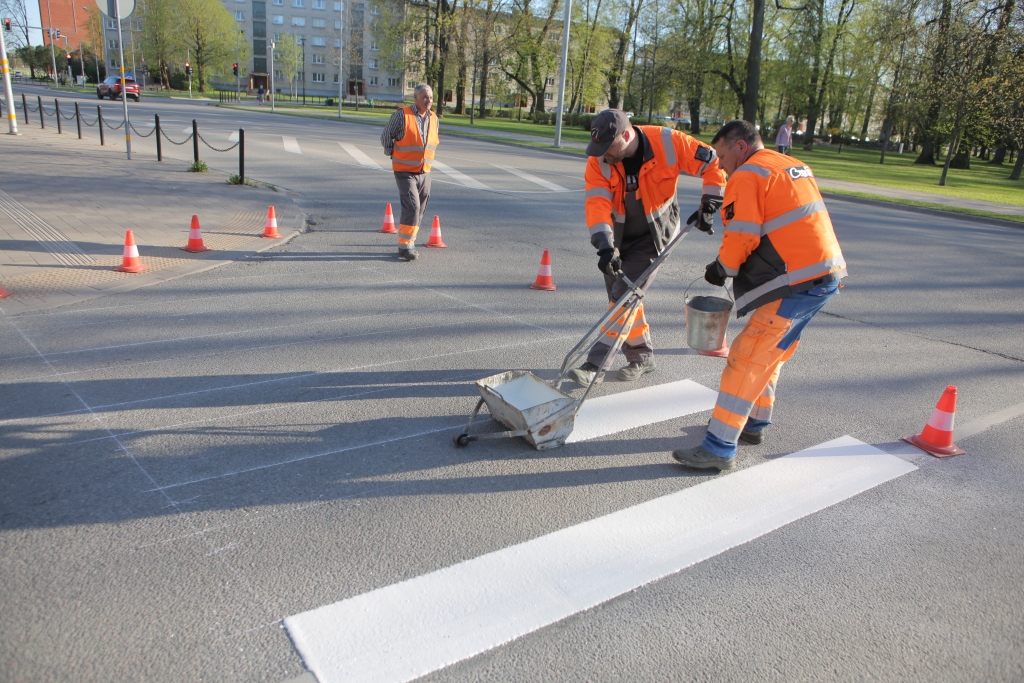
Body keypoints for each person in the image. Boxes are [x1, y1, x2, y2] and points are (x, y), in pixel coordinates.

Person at [672, 119, 847, 472]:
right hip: (822, 273)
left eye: (721, 155)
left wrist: (721, 268)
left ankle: (719, 447)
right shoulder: (788, 165)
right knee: (769, 353)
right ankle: (753, 423)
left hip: (797, 279)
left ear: (740, 147)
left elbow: (742, 234)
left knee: (746, 357)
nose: (719, 165)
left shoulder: (748, 174)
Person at [567, 109, 727, 385]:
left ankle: (595, 364)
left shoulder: (668, 142)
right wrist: (605, 246)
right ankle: (642, 356)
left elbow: (713, 162)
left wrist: (710, 202)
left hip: (655, 235)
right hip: (616, 237)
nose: (602, 153)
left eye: (608, 146)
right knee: (626, 297)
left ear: (626, 135)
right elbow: (597, 204)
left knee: (623, 297)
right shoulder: (598, 161)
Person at [380, 84, 439, 261]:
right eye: (424, 97)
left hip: (424, 171)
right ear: (415, 98)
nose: (428, 100)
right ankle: (405, 247)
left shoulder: (434, 118)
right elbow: (386, 137)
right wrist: (394, 154)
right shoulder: (402, 115)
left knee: (419, 208)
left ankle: (410, 240)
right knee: (412, 207)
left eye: (430, 97)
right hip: (404, 171)